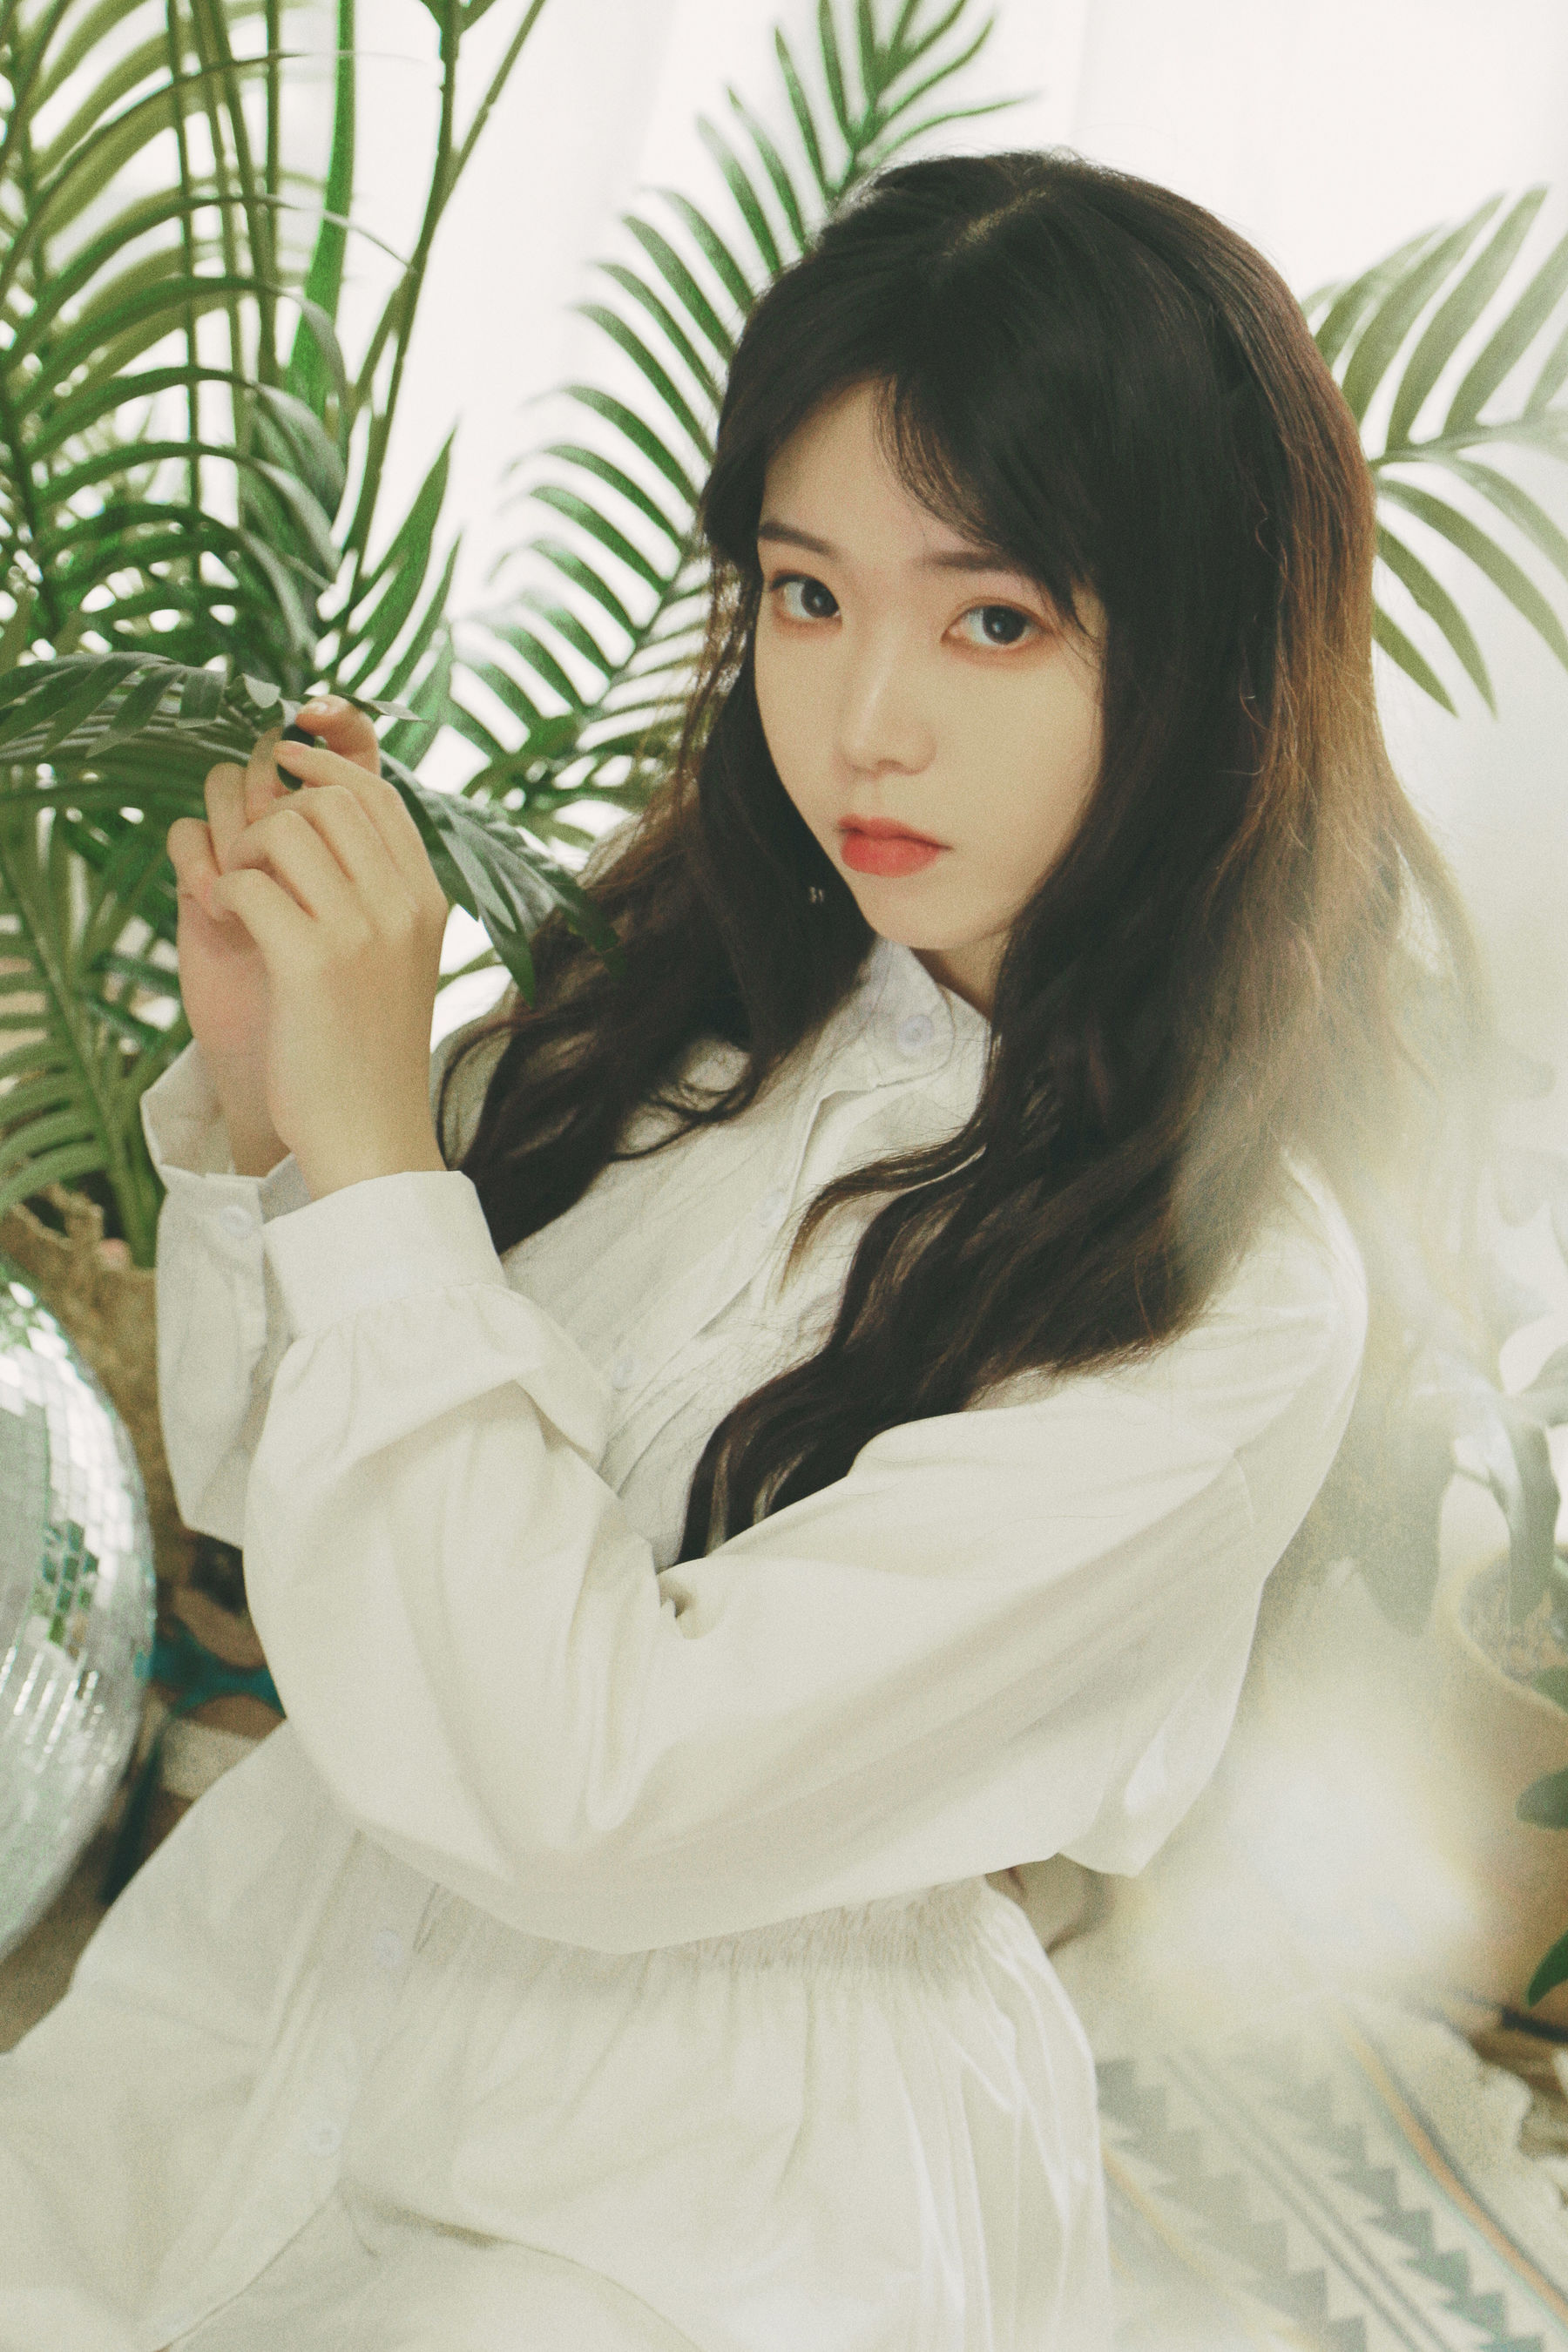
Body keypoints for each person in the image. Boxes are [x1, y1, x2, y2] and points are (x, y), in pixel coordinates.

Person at [0, 145, 1487, 2350]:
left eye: (994, 619)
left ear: (1210, 654)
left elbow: (599, 1796)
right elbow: (285, 1522)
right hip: (266, 1996)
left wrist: (382, 1164)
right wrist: (283, 1110)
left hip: (699, 2204)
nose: (866, 717)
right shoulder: (688, 1016)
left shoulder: (1228, 1299)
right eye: (806, 594)